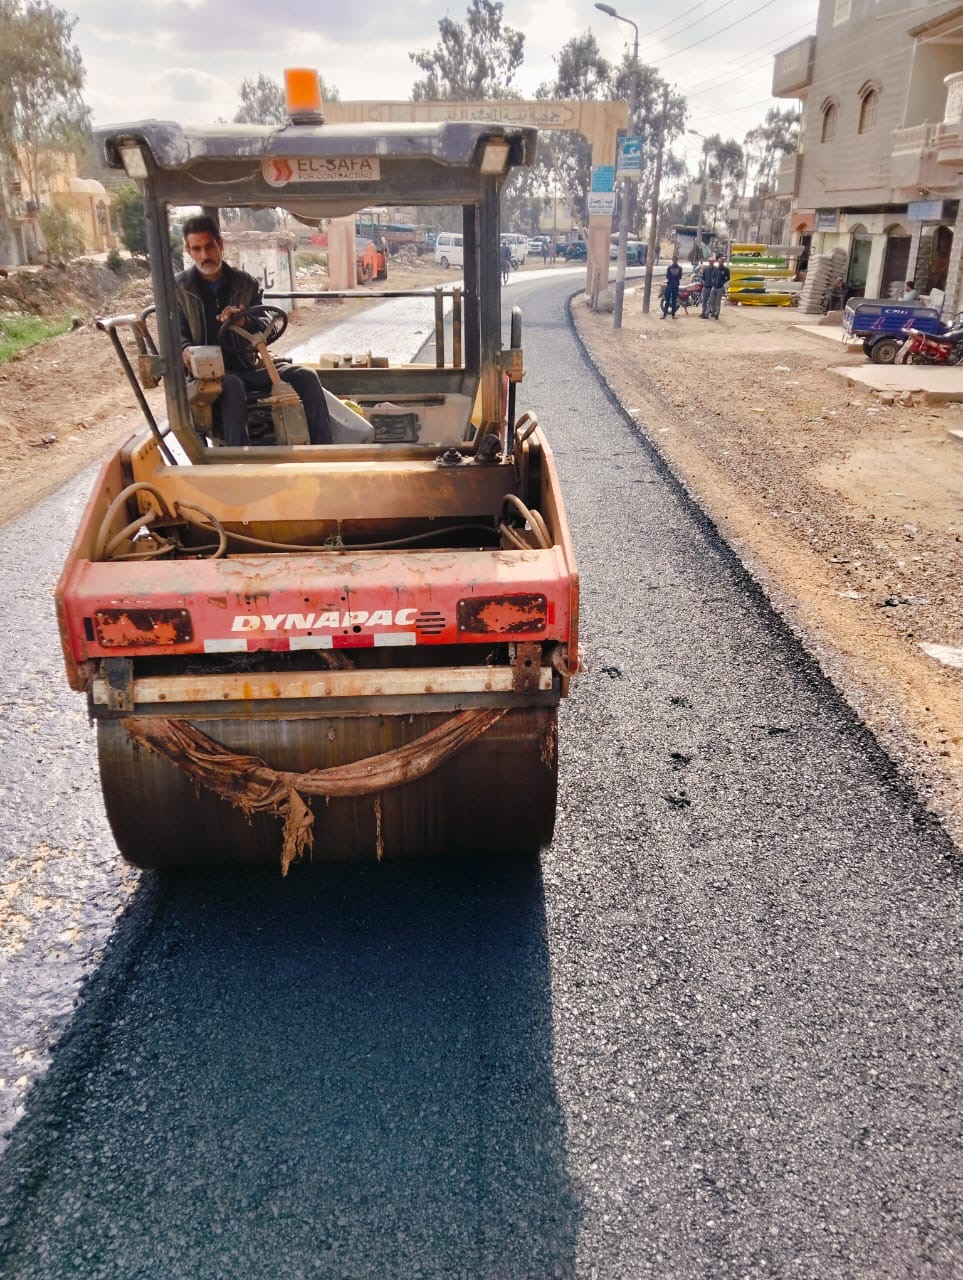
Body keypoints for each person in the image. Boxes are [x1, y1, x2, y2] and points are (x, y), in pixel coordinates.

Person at [175, 215, 333, 446]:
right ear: (188, 250)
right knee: (231, 386)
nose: (204, 255)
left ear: (220, 244)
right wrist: (186, 351)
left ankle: (324, 452)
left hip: (247, 367)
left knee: (306, 377)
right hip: (206, 378)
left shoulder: (245, 284)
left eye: (209, 246)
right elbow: (175, 336)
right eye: (197, 249)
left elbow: (265, 323)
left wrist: (243, 323)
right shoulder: (179, 289)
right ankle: (238, 461)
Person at [662, 254, 683, 319]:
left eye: (675, 260)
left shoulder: (679, 268)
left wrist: (672, 276)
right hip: (670, 285)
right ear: (672, 260)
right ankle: (664, 315)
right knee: (667, 301)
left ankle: (673, 315)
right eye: (673, 260)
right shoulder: (669, 267)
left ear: (677, 260)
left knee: (674, 301)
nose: (674, 261)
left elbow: (679, 277)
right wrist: (674, 276)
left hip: (675, 285)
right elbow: (667, 276)